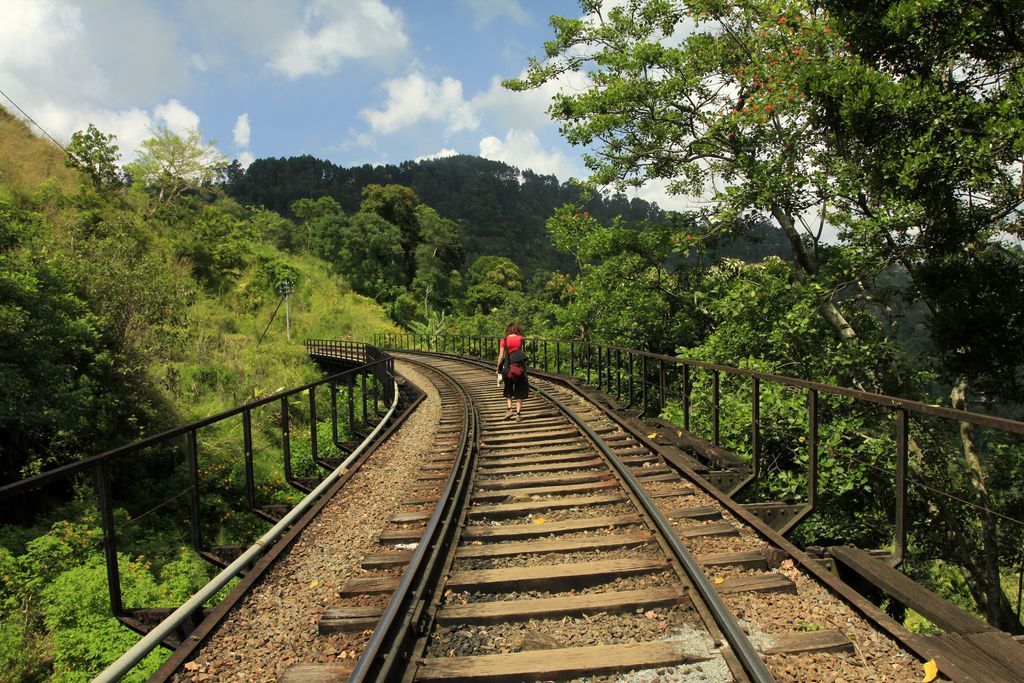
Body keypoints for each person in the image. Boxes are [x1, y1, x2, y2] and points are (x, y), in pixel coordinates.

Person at [495, 323, 528, 421]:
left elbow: (501, 356)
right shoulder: (520, 339)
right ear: (517, 330)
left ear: (508, 330)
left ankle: (509, 410)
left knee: (508, 388)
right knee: (520, 389)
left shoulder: (504, 340)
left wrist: (498, 369)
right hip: (520, 368)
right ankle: (518, 414)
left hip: (508, 368)